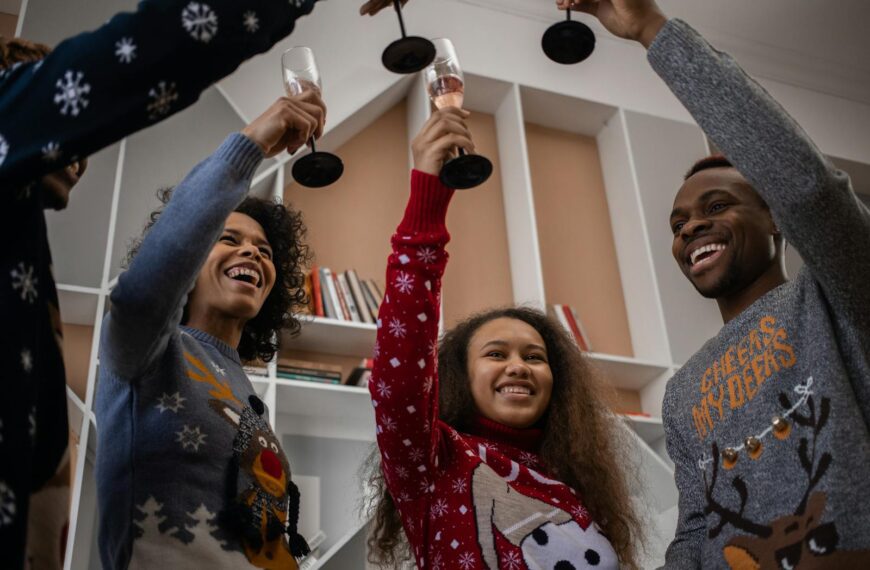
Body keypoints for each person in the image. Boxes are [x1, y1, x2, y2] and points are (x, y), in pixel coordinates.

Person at [560, 0, 870, 567]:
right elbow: (695, 530)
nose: (691, 227)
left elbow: (811, 191)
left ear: (775, 218)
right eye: (678, 225)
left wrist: (651, 30)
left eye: (717, 205)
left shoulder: (837, 293)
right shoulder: (683, 393)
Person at [364, 108, 642, 569]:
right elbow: (400, 376)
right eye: (496, 354)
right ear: (458, 377)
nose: (519, 366)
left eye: (535, 357)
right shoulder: (436, 463)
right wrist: (427, 202)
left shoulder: (578, 489)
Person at [94, 92, 324, 568]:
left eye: (264, 249)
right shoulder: (145, 351)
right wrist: (251, 143)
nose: (253, 254)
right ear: (190, 262)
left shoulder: (244, 391)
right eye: (228, 239)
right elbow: (140, 300)